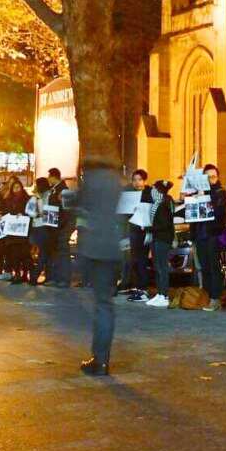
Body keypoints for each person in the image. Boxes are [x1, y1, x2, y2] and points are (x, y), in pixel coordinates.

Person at [62, 160, 126, 376]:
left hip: (94, 248)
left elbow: (74, 203)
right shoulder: (116, 181)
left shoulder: (91, 180)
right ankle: (103, 359)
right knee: (105, 304)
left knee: (100, 304)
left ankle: (99, 359)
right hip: (111, 247)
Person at [193, 164, 226, 311]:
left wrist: (205, 199)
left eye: (213, 176)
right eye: (208, 177)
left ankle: (216, 298)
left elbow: (221, 213)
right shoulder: (199, 193)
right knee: (204, 266)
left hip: (213, 234)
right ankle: (208, 296)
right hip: (200, 235)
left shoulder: (220, 193)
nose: (211, 179)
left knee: (214, 267)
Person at [145, 180, 177, 307]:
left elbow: (164, 225)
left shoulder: (165, 204)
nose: (152, 191)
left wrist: (149, 228)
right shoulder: (159, 203)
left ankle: (164, 295)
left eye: (154, 189)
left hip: (162, 239)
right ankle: (159, 293)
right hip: (156, 238)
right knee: (157, 267)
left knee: (162, 267)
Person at [123, 169, 152, 299]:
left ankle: (143, 288)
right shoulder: (129, 194)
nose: (137, 182)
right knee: (134, 259)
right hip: (132, 230)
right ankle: (135, 285)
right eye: (134, 180)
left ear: (145, 181)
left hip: (146, 231)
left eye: (139, 179)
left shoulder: (150, 193)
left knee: (142, 260)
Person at [48, 168, 73, 287]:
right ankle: (57, 277)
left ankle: (64, 279)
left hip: (62, 226)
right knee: (56, 253)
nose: (48, 179)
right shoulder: (53, 190)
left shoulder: (63, 190)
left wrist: (62, 226)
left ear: (54, 177)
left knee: (63, 253)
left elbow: (67, 211)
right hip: (55, 226)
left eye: (49, 177)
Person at [28, 177, 56, 285]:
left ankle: (35, 276)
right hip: (45, 227)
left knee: (43, 253)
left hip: (41, 226)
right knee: (45, 253)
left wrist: (38, 214)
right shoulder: (46, 195)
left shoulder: (41, 197)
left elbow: (30, 211)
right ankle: (47, 277)